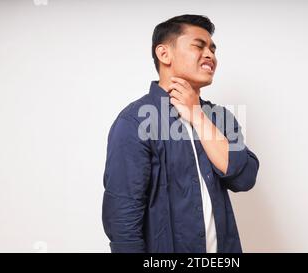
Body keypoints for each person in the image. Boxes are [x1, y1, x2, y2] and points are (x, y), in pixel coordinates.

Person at [102, 14, 259, 253]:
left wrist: (197, 115)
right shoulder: (135, 121)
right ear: (164, 54)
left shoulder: (219, 117)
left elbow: (243, 178)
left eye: (213, 49)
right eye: (199, 46)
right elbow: (123, 221)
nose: (210, 55)